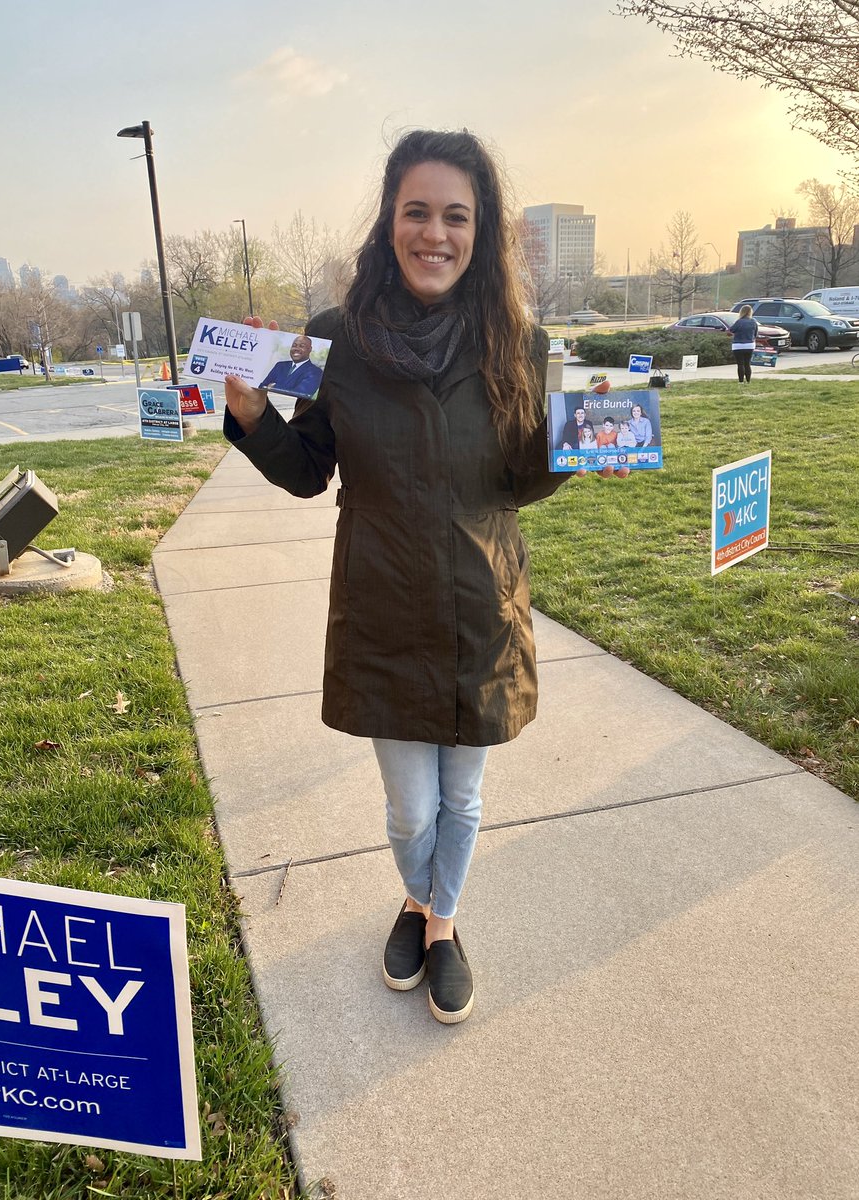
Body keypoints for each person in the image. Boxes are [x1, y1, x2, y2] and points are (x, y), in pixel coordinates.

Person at [223, 129, 627, 1026]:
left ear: (479, 232)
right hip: (381, 605)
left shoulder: (520, 341)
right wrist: (253, 418)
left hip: (481, 604)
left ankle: (439, 921)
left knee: (465, 796)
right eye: (418, 212)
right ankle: (416, 891)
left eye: (456, 215)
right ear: (390, 221)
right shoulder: (335, 340)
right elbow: (307, 468)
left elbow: (519, 478)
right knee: (411, 809)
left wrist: (575, 451)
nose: (435, 233)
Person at [259, 334, 324, 398]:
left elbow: (302, 393)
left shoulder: (315, 372)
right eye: (294, 345)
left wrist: (273, 387)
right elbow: (262, 386)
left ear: (309, 349)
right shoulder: (280, 365)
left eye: (302, 346)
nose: (296, 349)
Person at [729, 304, 759, 383]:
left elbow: (731, 330)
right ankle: (748, 381)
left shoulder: (739, 321)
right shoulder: (753, 321)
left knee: (740, 364)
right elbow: (755, 334)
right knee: (747, 363)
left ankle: (741, 381)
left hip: (738, 345)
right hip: (749, 344)